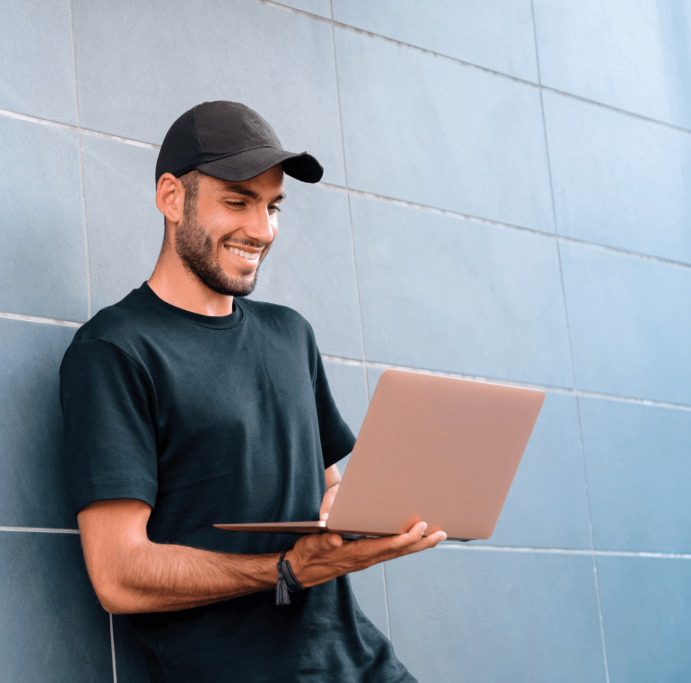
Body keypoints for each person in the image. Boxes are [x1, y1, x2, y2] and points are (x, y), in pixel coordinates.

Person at [59, 101, 445, 682]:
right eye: (237, 202)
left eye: (272, 206)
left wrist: (357, 527)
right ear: (171, 198)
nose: (262, 230)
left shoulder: (290, 333)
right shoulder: (115, 350)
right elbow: (118, 574)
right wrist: (285, 569)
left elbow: (326, 493)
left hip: (363, 666)